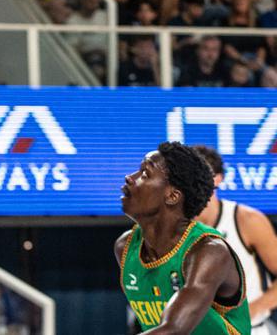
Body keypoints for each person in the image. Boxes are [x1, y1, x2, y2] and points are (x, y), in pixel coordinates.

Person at [116, 142, 251, 332]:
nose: (129, 178)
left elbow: (174, 329)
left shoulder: (208, 251)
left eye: (145, 174)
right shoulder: (126, 247)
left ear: (172, 196)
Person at [195, 146, 277, 332]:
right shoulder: (174, 227)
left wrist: (251, 311)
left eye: (200, 175)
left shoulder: (246, 220)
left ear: (218, 179)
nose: (194, 183)